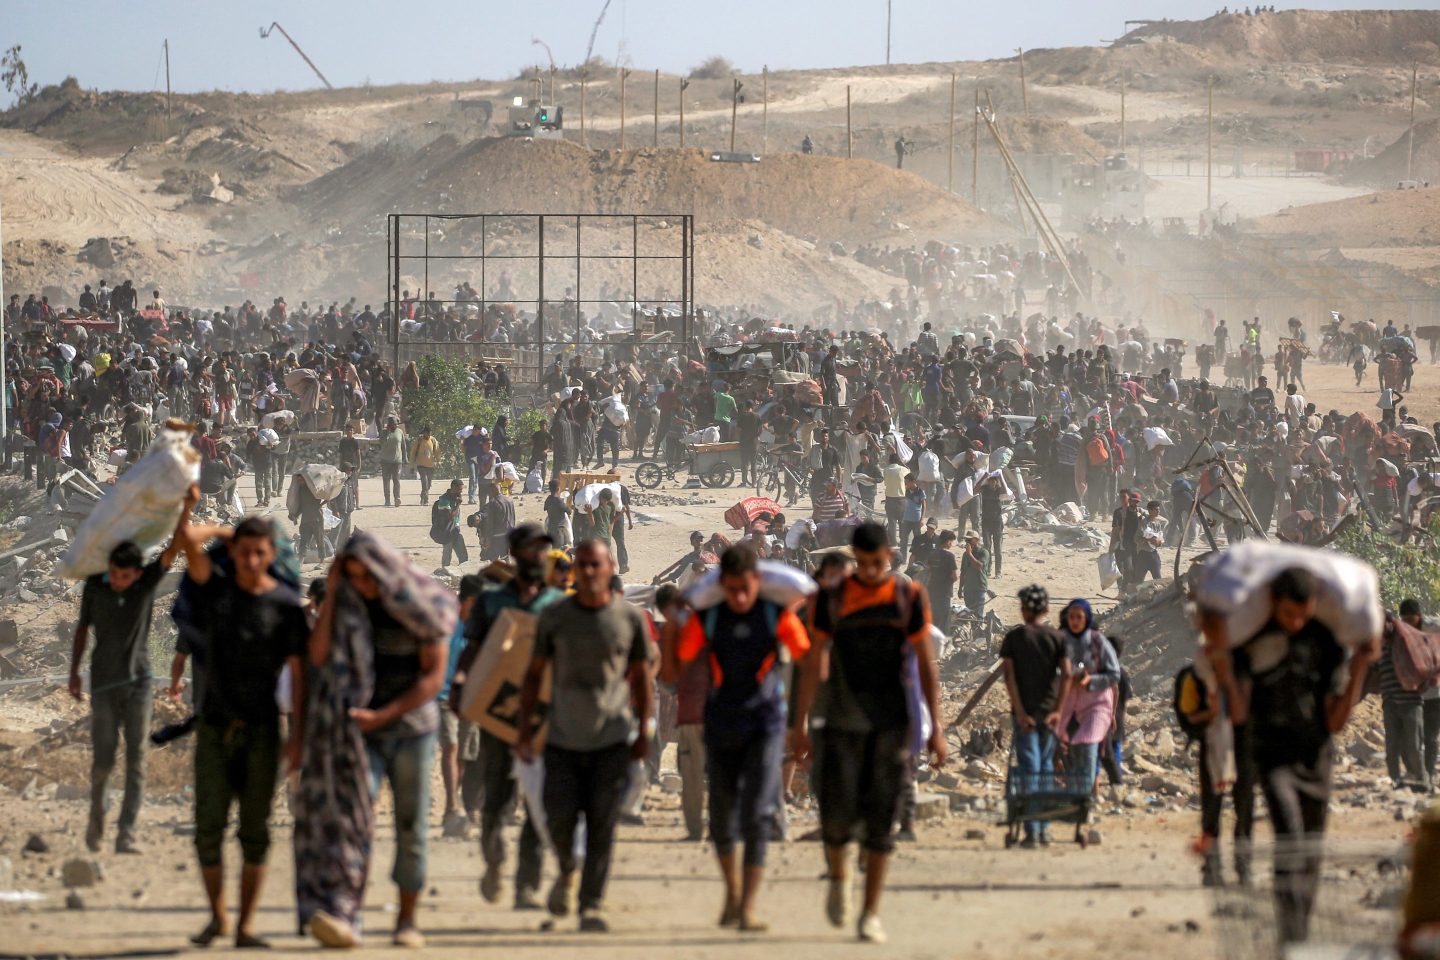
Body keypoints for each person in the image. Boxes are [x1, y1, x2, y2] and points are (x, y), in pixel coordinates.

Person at [296, 532, 456, 949]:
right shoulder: (348, 605)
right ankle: (346, 914)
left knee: (411, 825)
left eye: (366, 578)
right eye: (353, 578)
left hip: (412, 730)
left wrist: (383, 714)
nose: (363, 586)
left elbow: (433, 678)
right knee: (348, 821)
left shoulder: (422, 605)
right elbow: (317, 654)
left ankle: (406, 919)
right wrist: (331, 594)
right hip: (360, 731)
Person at [792, 522, 947, 944]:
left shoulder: (907, 597)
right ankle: (840, 876)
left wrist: (936, 729)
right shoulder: (832, 598)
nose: (871, 570)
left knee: (882, 820)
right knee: (836, 810)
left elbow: (925, 664)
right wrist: (801, 722)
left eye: (878, 563)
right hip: (840, 716)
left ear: (890, 558)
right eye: (863, 563)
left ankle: (870, 913)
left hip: (892, 720)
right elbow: (815, 661)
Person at [1202, 568, 1376, 943]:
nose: (1295, 622)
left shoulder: (1326, 643)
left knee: (1311, 852)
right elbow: (1240, 713)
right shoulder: (1254, 639)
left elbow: (1334, 722)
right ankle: (1290, 937)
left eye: (1303, 614)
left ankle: (1299, 930)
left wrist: (1360, 667)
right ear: (1274, 606)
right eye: (1287, 615)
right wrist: (1222, 663)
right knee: (1290, 840)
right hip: (1272, 756)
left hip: (1317, 757)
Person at [174, 516, 308, 949]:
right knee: (207, 830)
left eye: (259, 552)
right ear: (233, 553)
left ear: (271, 556)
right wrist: (216, 528)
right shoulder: (216, 593)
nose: (251, 560)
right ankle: (218, 918)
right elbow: (188, 542)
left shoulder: (286, 606)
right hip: (214, 728)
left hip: (263, 732)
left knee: (256, 831)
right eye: (244, 552)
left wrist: (299, 738)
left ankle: (246, 925)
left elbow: (299, 676)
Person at [516, 539, 654, 932]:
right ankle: (566, 868)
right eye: (583, 565)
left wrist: (643, 730)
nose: (590, 572)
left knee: (601, 824)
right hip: (559, 737)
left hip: (611, 737)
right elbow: (533, 674)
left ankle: (591, 903)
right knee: (557, 817)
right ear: (574, 571)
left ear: (610, 567)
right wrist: (526, 728)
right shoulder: (556, 616)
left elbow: (643, 679)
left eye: (597, 565)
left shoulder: (628, 619)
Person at [673, 545, 810, 931]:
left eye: (744, 588)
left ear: (757, 581)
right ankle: (732, 894)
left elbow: (806, 655)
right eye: (730, 589)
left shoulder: (774, 614)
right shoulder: (710, 618)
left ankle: (747, 905)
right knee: (722, 814)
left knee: (757, 814)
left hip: (765, 724)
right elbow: (682, 655)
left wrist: (800, 723)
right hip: (721, 723)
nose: (738, 596)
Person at [70, 490, 197, 853]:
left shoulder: (145, 584)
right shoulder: (96, 587)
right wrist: (74, 673)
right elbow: (82, 629)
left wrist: (186, 506)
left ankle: (126, 831)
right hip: (104, 682)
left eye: (125, 576)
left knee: (137, 758)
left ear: (136, 574)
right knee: (104, 757)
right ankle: (98, 815)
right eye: (115, 575)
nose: (120, 581)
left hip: (139, 681)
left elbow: (174, 547)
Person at [449, 524, 566, 911]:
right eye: (528, 551)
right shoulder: (492, 601)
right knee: (497, 795)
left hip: (542, 716)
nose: (534, 558)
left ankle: (526, 886)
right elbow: (473, 648)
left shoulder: (557, 604)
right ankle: (495, 861)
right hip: (498, 711)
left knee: (537, 802)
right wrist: (461, 684)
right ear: (515, 553)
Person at [1000, 585, 1072, 847]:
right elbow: (1066, 674)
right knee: (1045, 769)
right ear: (1046, 609)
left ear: (1023, 610)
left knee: (1030, 769)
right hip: (1049, 715)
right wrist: (1057, 711)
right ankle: (1041, 829)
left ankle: (1033, 831)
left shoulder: (1015, 638)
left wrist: (1019, 711)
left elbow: (1009, 678)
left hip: (1025, 715)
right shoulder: (1057, 638)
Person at [1056, 599, 1120, 800]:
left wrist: (1090, 679)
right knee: (1065, 748)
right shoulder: (1059, 641)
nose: (1075, 621)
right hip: (1067, 704)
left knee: (1089, 745)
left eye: (1079, 617)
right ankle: (1073, 792)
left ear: (1086, 619)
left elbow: (1114, 675)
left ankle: (1086, 794)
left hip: (1095, 704)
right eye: (1072, 617)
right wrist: (1065, 678)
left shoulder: (1099, 642)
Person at [656, 584, 706, 840]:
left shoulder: (673, 630)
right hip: (722, 710)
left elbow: (668, 679)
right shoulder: (711, 620)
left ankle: (695, 829)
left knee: (691, 773)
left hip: (691, 711)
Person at [438, 574, 483, 838]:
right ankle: (451, 805)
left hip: (471, 697)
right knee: (451, 746)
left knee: (466, 753)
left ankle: (462, 804)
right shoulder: (446, 622)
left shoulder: (479, 624)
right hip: (444, 697)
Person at [1379, 607, 1428, 790]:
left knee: (1414, 746)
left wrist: (1422, 685)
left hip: (1410, 702)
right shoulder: (1379, 646)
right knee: (1392, 748)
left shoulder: (1408, 641)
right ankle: (1396, 782)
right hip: (1390, 702)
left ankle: (1422, 780)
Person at [431, 479, 469, 568]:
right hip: (447, 532)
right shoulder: (444, 500)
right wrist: (458, 505)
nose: (461, 491)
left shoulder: (455, 498)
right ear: (453, 488)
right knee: (447, 557)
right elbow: (450, 516)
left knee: (463, 556)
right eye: (460, 489)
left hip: (455, 530)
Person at [926, 530, 958, 636]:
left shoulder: (932, 554)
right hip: (944, 593)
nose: (951, 544)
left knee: (933, 620)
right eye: (951, 541)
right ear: (947, 541)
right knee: (944, 621)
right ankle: (942, 647)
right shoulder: (950, 556)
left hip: (932, 592)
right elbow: (954, 576)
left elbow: (928, 571)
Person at [959, 530, 990, 617]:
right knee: (970, 614)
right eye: (966, 540)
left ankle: (979, 630)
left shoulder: (984, 552)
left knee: (978, 614)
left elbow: (979, 566)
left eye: (969, 540)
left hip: (979, 587)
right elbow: (963, 572)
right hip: (968, 588)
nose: (967, 542)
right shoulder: (965, 555)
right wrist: (960, 587)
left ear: (976, 540)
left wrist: (969, 554)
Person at [380, 417, 408, 507]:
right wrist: (387, 433)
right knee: (386, 481)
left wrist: (405, 458)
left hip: (397, 461)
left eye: (396, 424)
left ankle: (397, 498)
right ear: (389, 424)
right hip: (385, 460)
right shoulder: (383, 432)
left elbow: (403, 446)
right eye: (393, 424)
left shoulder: (400, 432)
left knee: (396, 480)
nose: (395, 426)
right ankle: (387, 499)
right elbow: (382, 443)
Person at [410, 425, 440, 505]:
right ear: (424, 433)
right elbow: (413, 453)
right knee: (424, 482)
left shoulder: (433, 440)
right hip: (421, 465)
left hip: (430, 466)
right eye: (427, 433)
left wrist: (438, 461)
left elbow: (437, 451)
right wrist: (412, 465)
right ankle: (426, 500)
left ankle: (423, 495)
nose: (429, 435)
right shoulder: (419, 440)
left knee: (429, 484)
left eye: (430, 433)